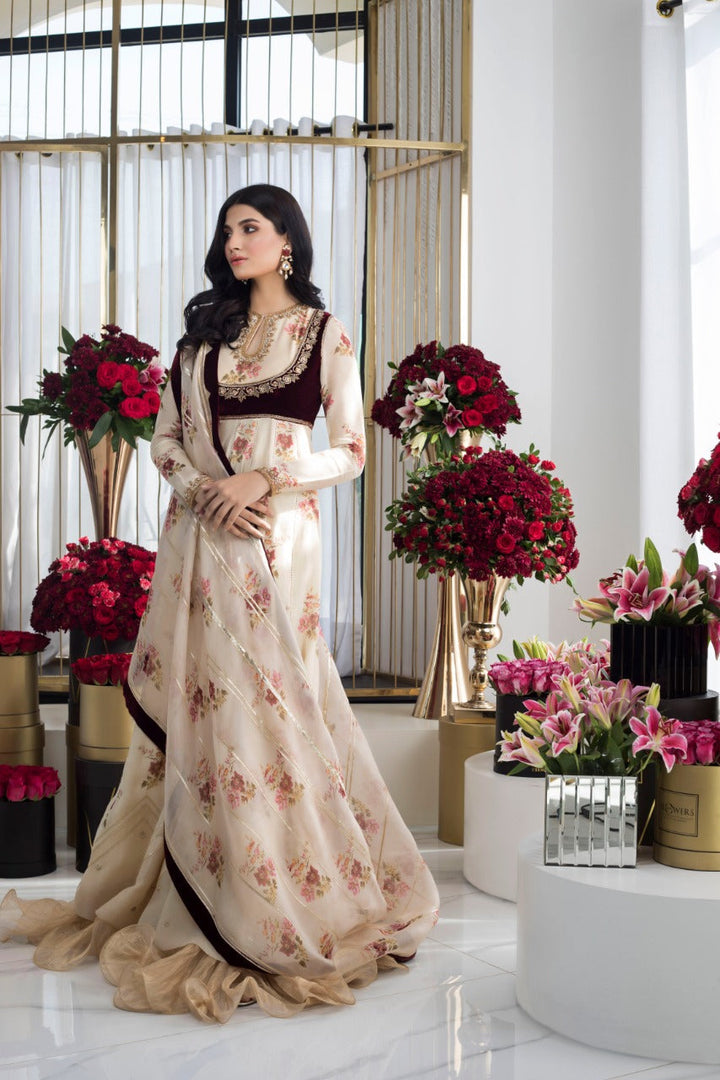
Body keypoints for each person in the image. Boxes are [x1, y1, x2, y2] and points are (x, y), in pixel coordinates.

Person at [1, 184, 439, 1022]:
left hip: (281, 539)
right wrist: (209, 492)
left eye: (250, 228)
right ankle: (218, 877)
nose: (234, 241)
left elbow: (350, 450)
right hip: (205, 540)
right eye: (227, 230)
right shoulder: (203, 339)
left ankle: (288, 886)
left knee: (277, 698)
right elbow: (166, 441)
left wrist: (263, 479)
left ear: (287, 241)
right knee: (215, 702)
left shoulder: (324, 332)